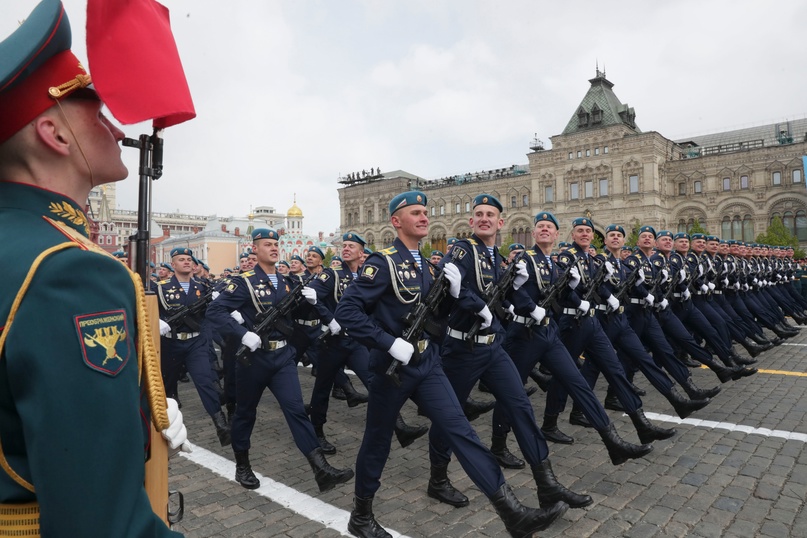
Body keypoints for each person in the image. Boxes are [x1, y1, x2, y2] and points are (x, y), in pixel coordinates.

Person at [0, 1, 186, 535]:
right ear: (56, 135)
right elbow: (101, 525)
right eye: (90, 103)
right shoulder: (68, 271)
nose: (112, 119)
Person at [336, 191, 568, 538]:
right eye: (415, 213)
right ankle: (361, 514)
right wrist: (388, 342)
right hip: (393, 369)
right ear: (396, 221)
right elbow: (347, 312)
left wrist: (459, 295)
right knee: (379, 439)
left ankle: (512, 513)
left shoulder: (426, 265)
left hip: (428, 362)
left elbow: (438, 317)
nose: (424, 217)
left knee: (461, 431)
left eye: (425, 212)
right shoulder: (382, 263)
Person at [430, 194, 592, 512]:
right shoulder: (462, 249)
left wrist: (507, 301)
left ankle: (547, 485)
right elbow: (452, 287)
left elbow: (497, 296)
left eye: (491, 214)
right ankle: (437, 479)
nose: (484, 218)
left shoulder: (496, 257)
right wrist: (478, 306)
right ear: (472, 221)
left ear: (500, 223)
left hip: (492, 346)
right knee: (450, 416)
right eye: (479, 214)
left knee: (521, 407)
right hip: (462, 348)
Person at [206, 228, 354, 493]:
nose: (274, 248)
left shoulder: (288, 282)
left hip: (283, 356)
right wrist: (242, 333)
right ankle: (242, 465)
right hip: (254, 359)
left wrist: (314, 303)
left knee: (296, 409)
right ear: (255, 249)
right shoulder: (244, 282)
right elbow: (215, 311)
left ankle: (321, 469)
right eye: (267, 244)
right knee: (245, 413)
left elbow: (295, 314)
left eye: (276, 244)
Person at [156, 247, 231, 446]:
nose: (186, 262)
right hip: (170, 343)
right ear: (173, 264)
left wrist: (219, 302)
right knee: (167, 386)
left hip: (195, 342)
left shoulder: (203, 286)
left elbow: (213, 312)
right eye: (181, 259)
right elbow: (145, 310)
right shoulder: (161, 287)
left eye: (189, 259)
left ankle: (221, 423)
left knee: (205, 380)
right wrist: (157, 320)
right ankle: (167, 426)